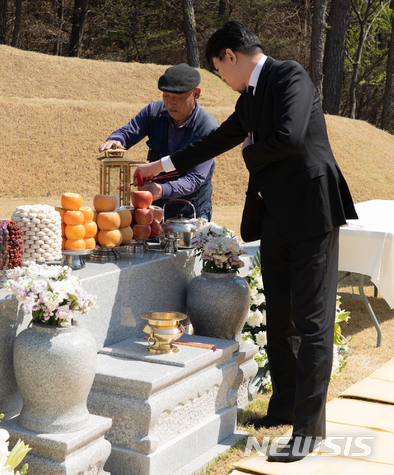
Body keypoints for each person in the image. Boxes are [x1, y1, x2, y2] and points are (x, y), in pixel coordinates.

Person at [134, 21, 357, 463]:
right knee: (280, 313)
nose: (221, 78)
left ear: (230, 57)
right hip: (274, 216)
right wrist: (160, 166)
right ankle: (283, 407)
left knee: (312, 322)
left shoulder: (290, 75)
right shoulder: (249, 98)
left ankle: (309, 431)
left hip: (312, 212)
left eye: (218, 69)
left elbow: (289, 137)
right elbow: (216, 139)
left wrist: (249, 152)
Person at [99, 63, 217, 220]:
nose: (170, 103)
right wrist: (116, 141)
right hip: (153, 211)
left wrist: (160, 190)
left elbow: (193, 180)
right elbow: (126, 133)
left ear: (196, 94)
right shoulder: (153, 111)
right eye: (166, 96)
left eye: (178, 97)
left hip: (190, 214)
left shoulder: (207, 128)